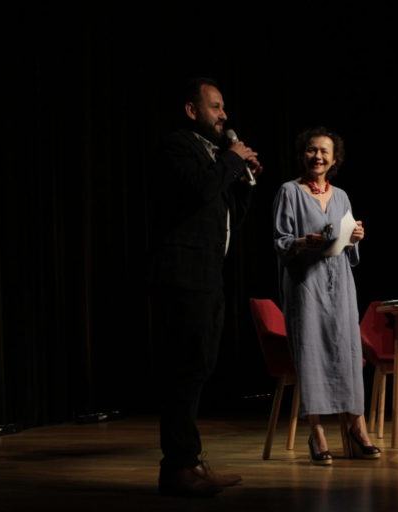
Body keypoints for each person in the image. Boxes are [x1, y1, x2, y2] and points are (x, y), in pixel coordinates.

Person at [148, 77, 262, 497]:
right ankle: (179, 468)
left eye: (224, 107)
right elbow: (198, 190)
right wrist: (231, 161)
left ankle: (189, 463)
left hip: (209, 275)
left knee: (198, 367)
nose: (224, 116)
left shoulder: (214, 157)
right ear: (191, 110)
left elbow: (229, 217)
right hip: (183, 276)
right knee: (184, 369)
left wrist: (244, 180)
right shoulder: (178, 146)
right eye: (216, 107)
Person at [272, 126, 380, 465]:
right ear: (303, 154)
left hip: (340, 284)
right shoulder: (289, 191)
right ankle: (316, 432)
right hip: (306, 284)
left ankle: (357, 427)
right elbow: (280, 242)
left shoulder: (342, 196)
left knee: (348, 352)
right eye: (312, 150)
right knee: (311, 354)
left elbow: (347, 246)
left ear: (334, 159)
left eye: (324, 152)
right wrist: (304, 242)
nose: (317, 156)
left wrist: (355, 237)